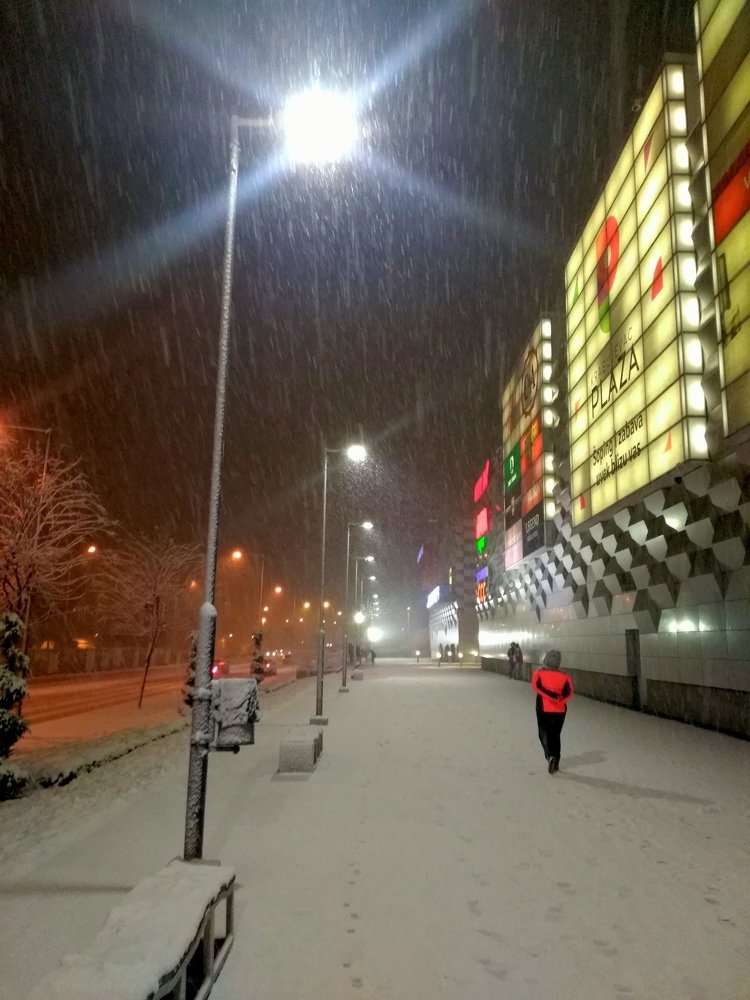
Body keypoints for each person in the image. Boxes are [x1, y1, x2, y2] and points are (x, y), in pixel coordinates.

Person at [531, 650, 574, 774]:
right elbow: (570, 692)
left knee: (544, 733)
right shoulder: (565, 675)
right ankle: (556, 760)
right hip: (560, 710)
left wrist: (550, 697)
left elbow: (535, 686)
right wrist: (559, 701)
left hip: (543, 708)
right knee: (555, 735)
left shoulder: (539, 672)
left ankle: (550, 756)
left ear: (546, 659)